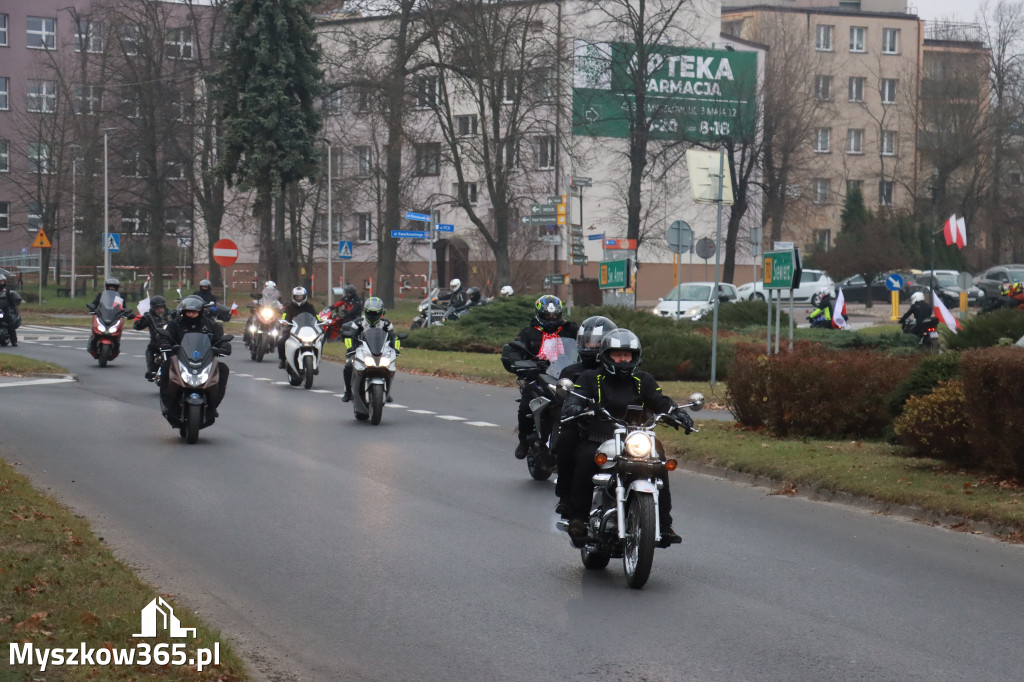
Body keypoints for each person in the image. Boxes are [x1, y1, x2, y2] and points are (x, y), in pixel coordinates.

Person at [560, 329, 692, 545]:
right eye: (617, 354)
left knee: (659, 460)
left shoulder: (643, 380)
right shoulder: (591, 378)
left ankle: (663, 524)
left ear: (635, 356)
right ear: (606, 355)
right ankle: (579, 519)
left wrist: (677, 413)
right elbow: (577, 396)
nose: (623, 359)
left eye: (627, 355)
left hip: (636, 437)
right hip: (599, 437)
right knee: (584, 458)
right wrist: (573, 406)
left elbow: (660, 400)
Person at [551, 316, 617, 517]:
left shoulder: (620, 371)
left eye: (596, 342)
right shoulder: (572, 371)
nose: (591, 346)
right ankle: (565, 497)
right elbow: (561, 404)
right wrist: (571, 409)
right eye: (587, 342)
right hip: (582, 425)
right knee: (566, 442)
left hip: (617, 426)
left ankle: (660, 520)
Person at [501, 295, 579, 460]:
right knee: (525, 406)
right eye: (547, 316)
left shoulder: (568, 330)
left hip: (566, 375)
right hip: (537, 375)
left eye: (554, 316)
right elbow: (514, 348)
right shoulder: (529, 333)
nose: (551, 319)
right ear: (539, 314)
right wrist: (516, 360)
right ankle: (523, 440)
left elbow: (586, 342)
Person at [159, 296, 231, 423]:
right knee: (165, 366)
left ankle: (213, 406)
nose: (191, 314)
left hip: (204, 361)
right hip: (181, 359)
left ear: (201, 312)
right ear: (183, 312)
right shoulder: (176, 324)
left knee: (223, 369)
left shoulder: (210, 324)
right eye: (188, 312)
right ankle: (169, 405)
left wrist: (223, 346)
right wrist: (166, 344)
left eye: (194, 312)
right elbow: (167, 337)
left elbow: (220, 339)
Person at [341, 297, 398, 402]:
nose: (372, 315)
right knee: (348, 366)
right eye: (370, 313)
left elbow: (395, 338)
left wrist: (396, 350)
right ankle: (348, 392)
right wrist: (350, 348)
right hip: (360, 351)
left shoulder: (386, 324)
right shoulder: (358, 323)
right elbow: (349, 337)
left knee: (390, 367)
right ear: (365, 311)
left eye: (375, 313)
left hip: (380, 351)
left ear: (381, 312)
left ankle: (387, 392)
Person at [278, 286, 318, 368]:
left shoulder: (310, 307)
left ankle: (316, 361)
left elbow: (317, 316)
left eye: (300, 297)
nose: (299, 298)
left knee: (319, 342)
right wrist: (284, 321)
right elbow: (284, 316)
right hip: (292, 329)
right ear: (293, 297)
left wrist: (320, 322)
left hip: (308, 329)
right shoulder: (288, 307)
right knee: (281, 342)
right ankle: (282, 360)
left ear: (304, 296)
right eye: (297, 297)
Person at [134, 295, 169, 380]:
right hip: (156, 341)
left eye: (161, 308)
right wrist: (140, 320)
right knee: (150, 349)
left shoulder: (170, 314)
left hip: (170, 340)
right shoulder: (149, 317)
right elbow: (138, 327)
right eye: (157, 308)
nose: (160, 310)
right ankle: (152, 371)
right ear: (153, 308)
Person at [0, 274, 23, 347]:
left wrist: (14, 308)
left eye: (3, 281)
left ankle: (14, 341)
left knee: (10, 323)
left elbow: (11, 299)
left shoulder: (6, 290)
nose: (2, 282)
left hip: (4, 309)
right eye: (1, 281)